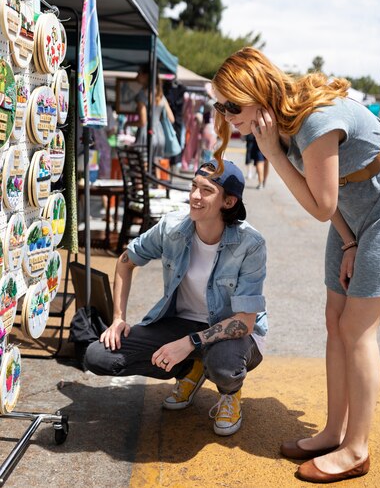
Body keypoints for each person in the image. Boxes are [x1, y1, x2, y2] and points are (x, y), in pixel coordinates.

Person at [211, 47, 380, 482]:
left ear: (258, 93)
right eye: (221, 105)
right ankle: (334, 431)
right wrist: (348, 243)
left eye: (233, 104)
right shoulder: (284, 124)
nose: (228, 116)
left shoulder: (313, 120)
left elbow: (321, 204)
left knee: (357, 328)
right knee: (334, 318)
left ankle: (356, 449)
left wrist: (272, 153)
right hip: (355, 213)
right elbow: (332, 199)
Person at [85, 159, 267, 436]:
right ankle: (191, 370)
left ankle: (230, 393)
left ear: (228, 202)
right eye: (194, 186)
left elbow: (244, 322)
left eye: (206, 191)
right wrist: (118, 319)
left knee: (223, 365)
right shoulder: (172, 227)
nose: (194, 196)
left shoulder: (250, 244)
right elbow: (125, 260)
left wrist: (189, 343)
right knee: (99, 356)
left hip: (234, 333)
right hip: (180, 323)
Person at [135, 69, 175, 160]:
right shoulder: (160, 95)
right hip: (159, 134)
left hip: (145, 134)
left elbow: (143, 122)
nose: (136, 76)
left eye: (139, 73)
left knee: (143, 167)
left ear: (145, 76)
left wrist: (127, 124)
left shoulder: (142, 95)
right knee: (156, 167)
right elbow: (171, 119)